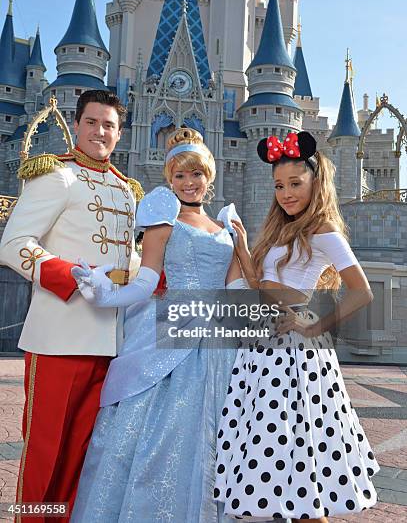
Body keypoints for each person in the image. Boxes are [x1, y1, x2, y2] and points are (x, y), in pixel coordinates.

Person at [70, 128, 284, 523]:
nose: (189, 183)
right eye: (180, 176)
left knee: (223, 431)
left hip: (220, 336)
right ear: (170, 179)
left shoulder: (227, 227)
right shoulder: (161, 219)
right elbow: (146, 282)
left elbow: (236, 288)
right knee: (158, 435)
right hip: (170, 331)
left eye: (196, 174)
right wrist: (103, 295)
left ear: (209, 176)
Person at [214, 131, 379, 522]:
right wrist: (240, 245)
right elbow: (258, 288)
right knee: (270, 470)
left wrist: (314, 325)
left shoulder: (324, 231)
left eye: (295, 184)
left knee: (303, 477)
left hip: (295, 359)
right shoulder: (278, 230)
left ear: (315, 182)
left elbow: (362, 292)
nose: (285, 193)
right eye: (278, 186)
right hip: (262, 354)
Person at [0, 89, 143, 521]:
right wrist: (72, 277)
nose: (100, 131)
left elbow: (129, 261)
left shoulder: (126, 189)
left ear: (120, 134)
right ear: (77, 125)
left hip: (107, 343)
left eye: (109, 125)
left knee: (82, 450)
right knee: (45, 448)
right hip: (59, 336)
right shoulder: (56, 175)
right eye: (92, 122)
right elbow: (13, 244)